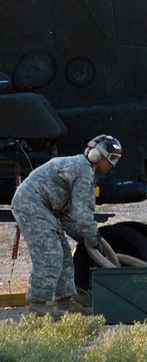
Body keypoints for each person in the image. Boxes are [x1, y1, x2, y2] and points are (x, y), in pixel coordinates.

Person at [10, 135, 122, 318]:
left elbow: (68, 217)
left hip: (43, 207)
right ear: (96, 155)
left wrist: (83, 237)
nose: (113, 165)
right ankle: (38, 304)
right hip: (31, 204)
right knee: (50, 254)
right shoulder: (83, 170)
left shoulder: (80, 168)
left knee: (64, 256)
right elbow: (83, 214)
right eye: (112, 158)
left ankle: (65, 302)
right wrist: (92, 237)